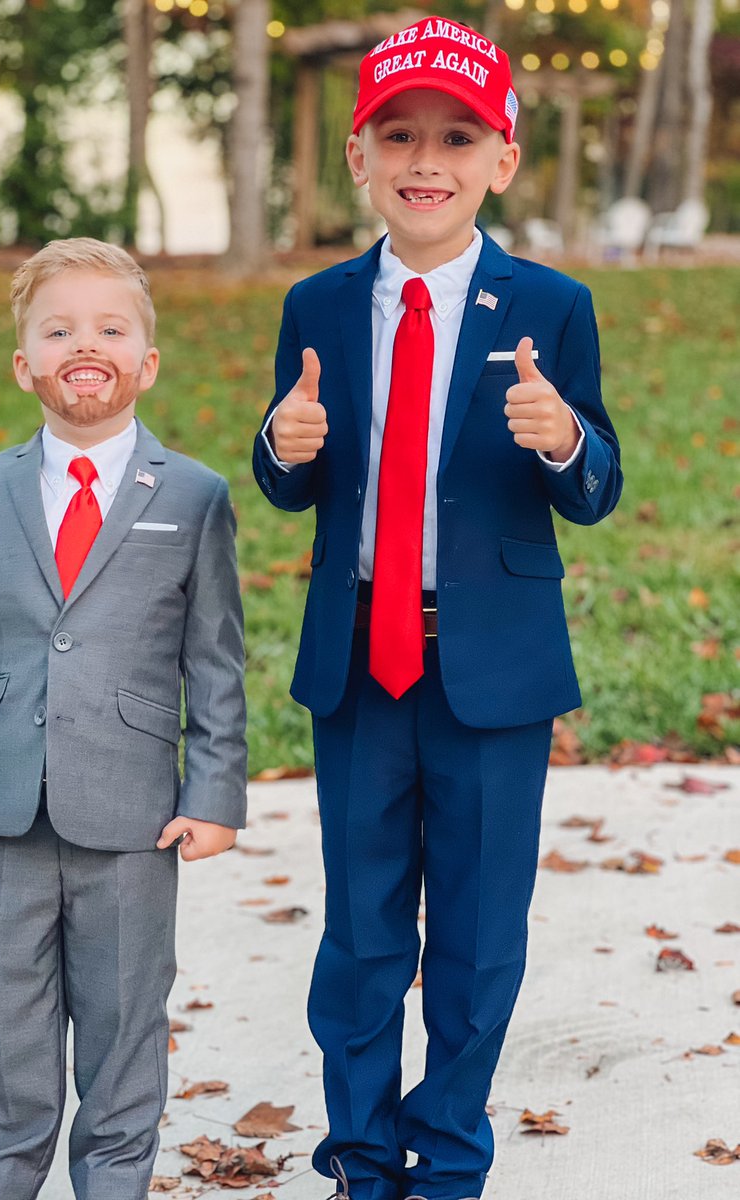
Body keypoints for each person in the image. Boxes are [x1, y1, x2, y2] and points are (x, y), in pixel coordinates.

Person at [253, 16, 622, 1200]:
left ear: (501, 160)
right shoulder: (316, 305)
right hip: (360, 660)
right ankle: (363, 1159)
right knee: (362, 934)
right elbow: (288, 467)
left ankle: (450, 1155)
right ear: (357, 159)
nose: (427, 159)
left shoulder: (550, 305)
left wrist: (564, 438)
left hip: (494, 672)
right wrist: (283, 443)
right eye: (398, 134)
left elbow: (600, 484)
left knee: (474, 939)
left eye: (456, 136)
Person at [0, 237, 247, 1200]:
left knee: (125, 1031)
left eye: (109, 328)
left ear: (145, 361)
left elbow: (213, 659)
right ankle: (0, 1179)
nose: (82, 345)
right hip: (2, 813)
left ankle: (114, 1183)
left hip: (134, 820)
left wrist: (214, 793)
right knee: (10, 1043)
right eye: (57, 330)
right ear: (25, 364)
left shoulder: (192, 494)